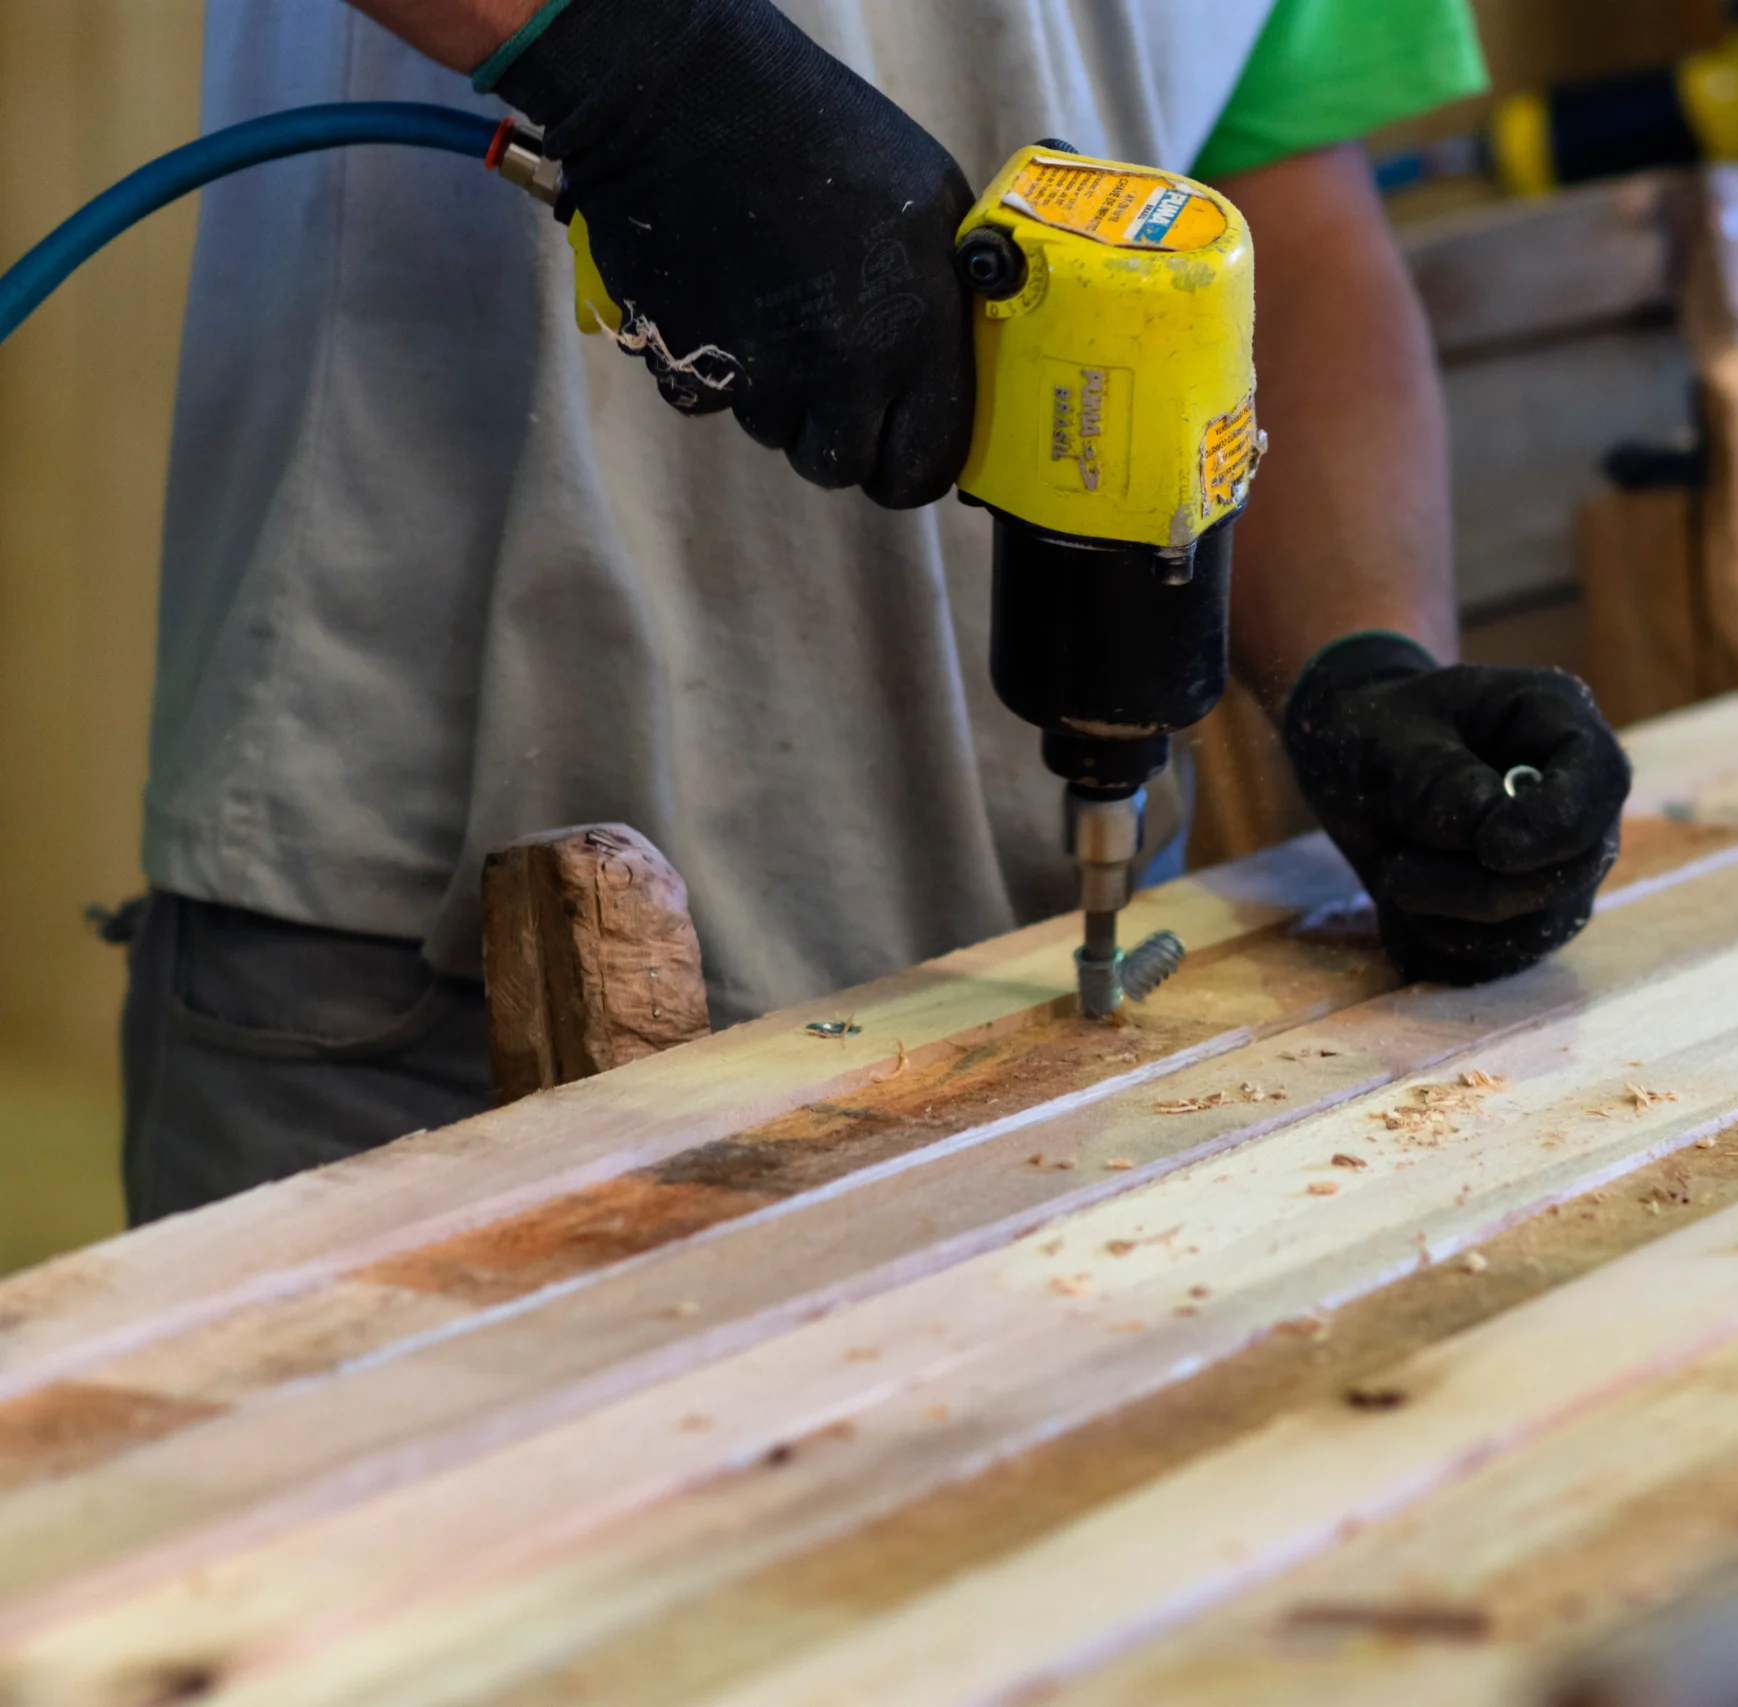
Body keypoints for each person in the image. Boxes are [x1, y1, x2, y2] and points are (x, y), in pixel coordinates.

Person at [118, 0, 1632, 1222]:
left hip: (1010, 956)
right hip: (411, 943)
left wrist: (1367, 661)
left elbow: (1277, 210)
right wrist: (636, 55)